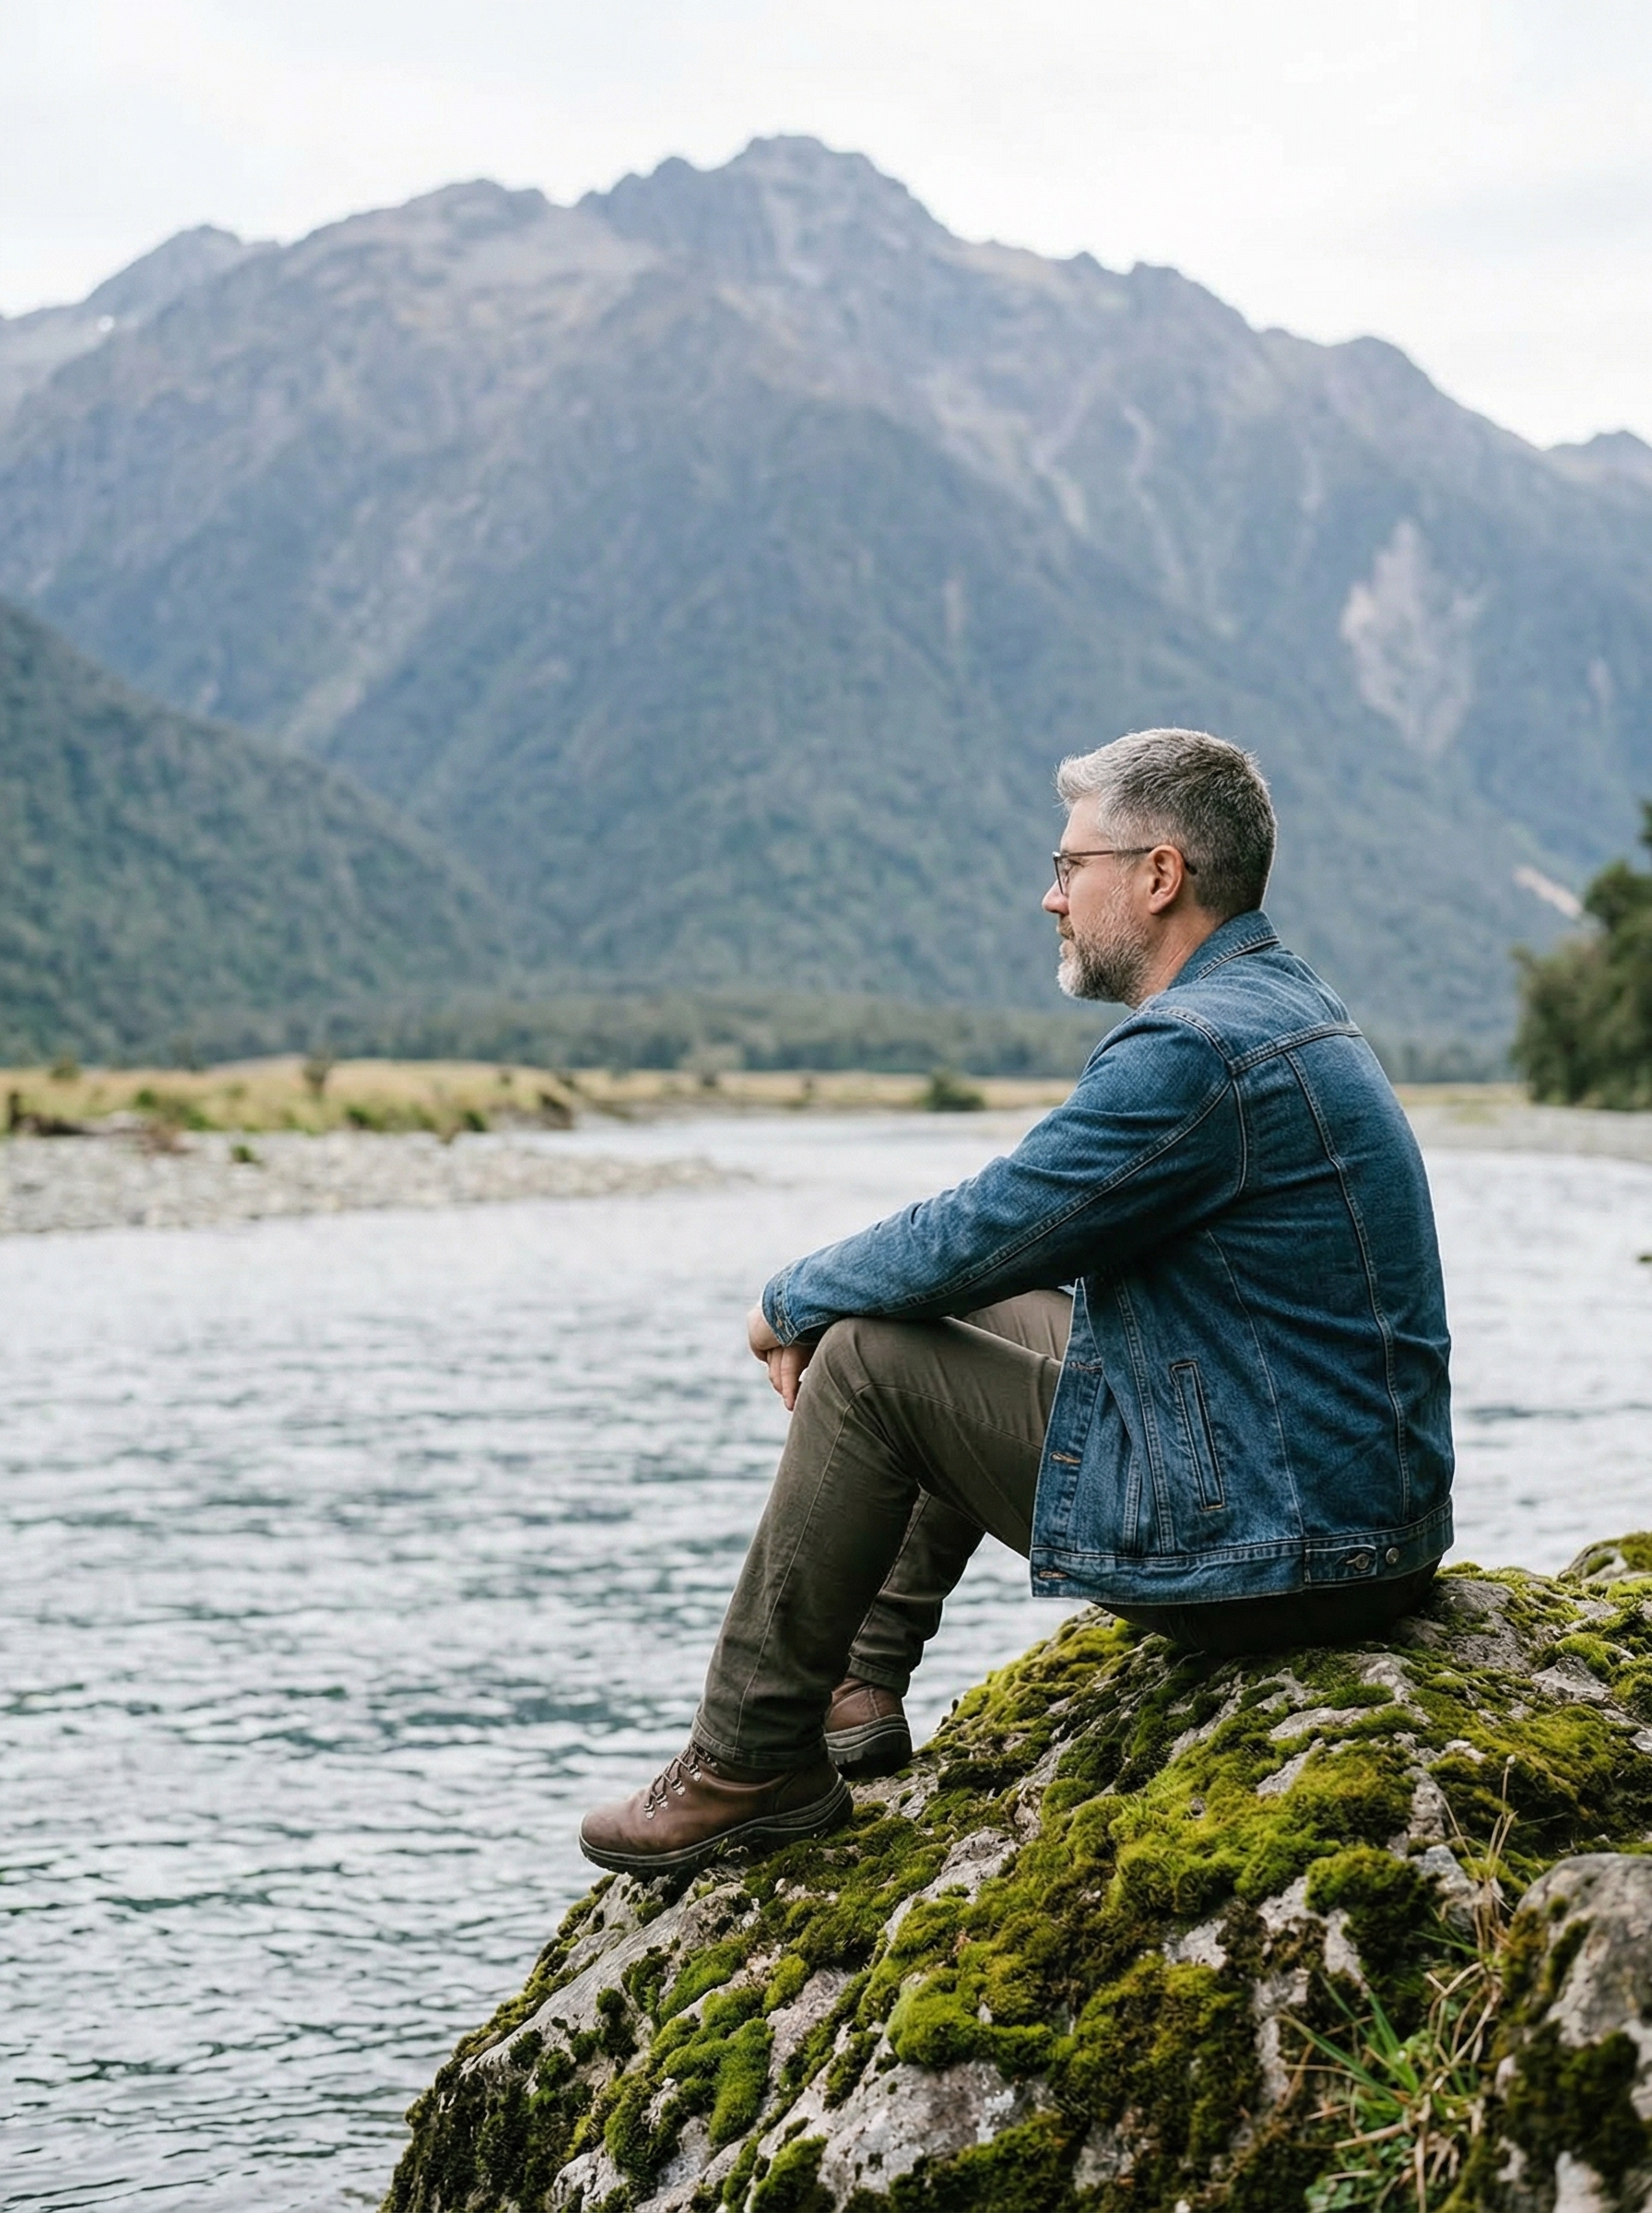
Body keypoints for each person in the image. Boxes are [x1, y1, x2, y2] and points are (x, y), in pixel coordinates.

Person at [578, 728, 1453, 1877]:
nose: (1049, 896)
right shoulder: (1271, 1001)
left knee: (870, 1359)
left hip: (1281, 1550)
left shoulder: (1192, 1048)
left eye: (1070, 863)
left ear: (1157, 876)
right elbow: (1000, 1254)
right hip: (1340, 1511)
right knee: (967, 1308)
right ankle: (855, 1688)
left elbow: (985, 1224)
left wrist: (785, 1301)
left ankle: (747, 1764)